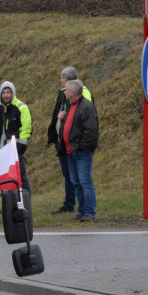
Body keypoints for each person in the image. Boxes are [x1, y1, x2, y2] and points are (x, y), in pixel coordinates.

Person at [47, 67, 94, 215]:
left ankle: (86, 211)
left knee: (83, 180)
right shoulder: (66, 97)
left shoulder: (84, 100)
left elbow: (87, 126)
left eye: (61, 78)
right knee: (73, 178)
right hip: (66, 145)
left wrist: (80, 146)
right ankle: (78, 208)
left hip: (78, 147)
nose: (60, 82)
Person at [60, 79, 99, 222]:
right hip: (71, 150)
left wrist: (81, 147)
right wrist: (63, 119)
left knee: (85, 181)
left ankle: (89, 212)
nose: (64, 92)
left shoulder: (86, 107)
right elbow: (72, 126)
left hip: (81, 151)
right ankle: (81, 211)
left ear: (72, 92)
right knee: (76, 182)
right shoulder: (71, 105)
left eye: (66, 90)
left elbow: (90, 131)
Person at [0, 81, 32, 192]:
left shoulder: (21, 108)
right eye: (3, 93)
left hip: (15, 150)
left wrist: (20, 146)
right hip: (1, 150)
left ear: (13, 93)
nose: (6, 95)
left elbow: (26, 129)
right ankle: (7, 205)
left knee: (20, 178)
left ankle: (25, 204)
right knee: (4, 180)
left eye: (8, 92)